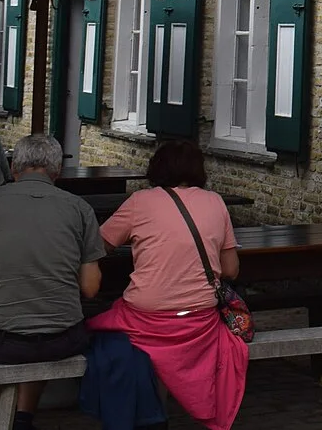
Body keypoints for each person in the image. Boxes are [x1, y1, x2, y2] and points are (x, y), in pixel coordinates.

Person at [0, 134, 104, 430]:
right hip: (63, 339)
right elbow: (90, 288)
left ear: (14, 167)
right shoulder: (80, 209)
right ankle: (23, 417)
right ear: (57, 172)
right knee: (40, 321)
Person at [87, 140, 247, 430]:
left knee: (96, 329)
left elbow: (97, 246)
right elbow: (231, 269)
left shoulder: (140, 202)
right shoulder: (215, 202)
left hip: (144, 320)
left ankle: (141, 412)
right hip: (198, 323)